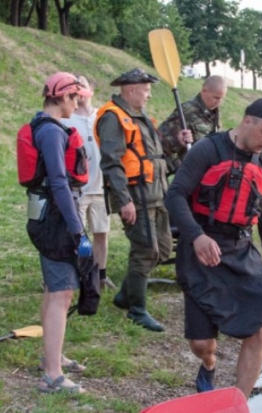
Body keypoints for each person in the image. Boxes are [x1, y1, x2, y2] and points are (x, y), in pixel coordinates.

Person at [164, 97, 262, 397]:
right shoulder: (208, 150)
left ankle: (239, 401)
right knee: (201, 344)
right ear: (247, 120)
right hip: (202, 250)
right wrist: (196, 236)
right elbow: (175, 196)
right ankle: (209, 363)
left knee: (260, 328)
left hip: (241, 250)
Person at [95, 68, 192, 332]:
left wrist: (176, 140)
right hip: (136, 196)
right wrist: (123, 199)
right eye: (147, 89)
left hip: (157, 194)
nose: (149, 94)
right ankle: (136, 310)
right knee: (145, 250)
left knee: (160, 250)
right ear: (132, 90)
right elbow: (111, 163)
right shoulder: (113, 118)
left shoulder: (140, 117)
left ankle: (125, 296)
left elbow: (153, 154)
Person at [30, 72, 93, 393]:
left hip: (46, 216)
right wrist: (76, 228)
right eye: (75, 98)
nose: (78, 103)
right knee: (62, 292)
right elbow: (57, 181)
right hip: (55, 220)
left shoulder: (42, 125)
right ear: (63, 97)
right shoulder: (52, 133)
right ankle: (53, 376)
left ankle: (50, 358)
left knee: (54, 288)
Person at [60, 75, 114, 290]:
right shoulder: (66, 118)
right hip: (77, 189)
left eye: (82, 85)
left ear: (91, 88)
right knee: (78, 236)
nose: (79, 90)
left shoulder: (102, 117)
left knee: (101, 233)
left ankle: (101, 275)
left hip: (101, 188)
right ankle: (79, 274)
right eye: (76, 87)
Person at [159, 75, 228, 173]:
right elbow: (162, 142)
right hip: (189, 172)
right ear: (204, 90)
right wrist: (181, 169)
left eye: (222, 98)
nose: (219, 102)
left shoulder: (215, 115)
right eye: (216, 97)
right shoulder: (187, 111)